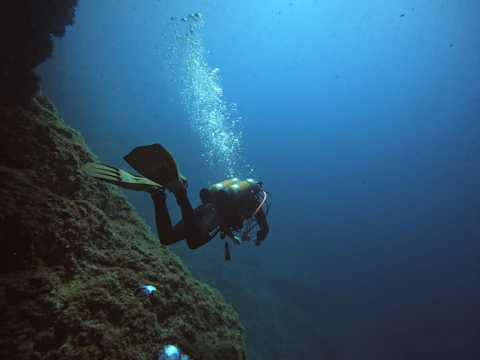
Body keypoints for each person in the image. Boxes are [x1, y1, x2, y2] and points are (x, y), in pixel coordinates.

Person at [81, 144, 270, 253]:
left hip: (205, 209)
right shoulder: (254, 204)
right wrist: (259, 239)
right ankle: (180, 192)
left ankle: (158, 196)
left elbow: (225, 219)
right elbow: (263, 228)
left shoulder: (239, 198)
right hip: (214, 213)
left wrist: (231, 236)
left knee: (167, 238)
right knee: (193, 242)